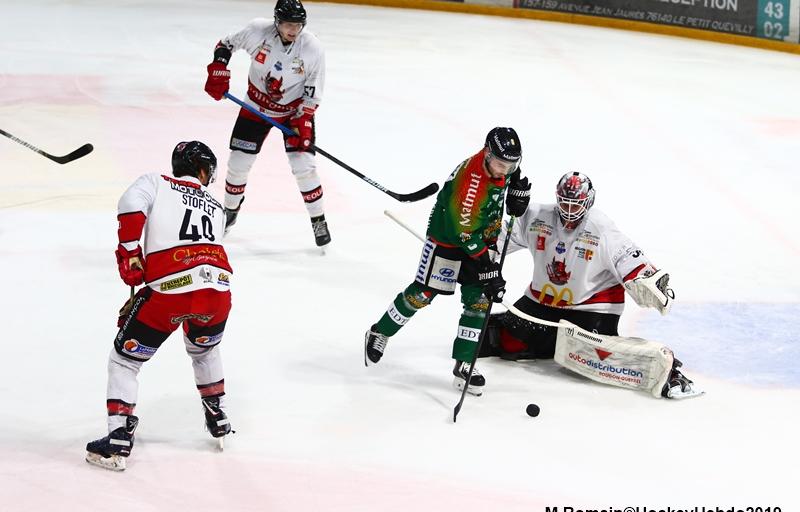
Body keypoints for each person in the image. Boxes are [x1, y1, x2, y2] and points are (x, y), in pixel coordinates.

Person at [481, 171, 701, 399]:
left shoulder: (601, 228)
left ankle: (668, 372)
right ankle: (553, 339)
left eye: (575, 205)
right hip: (542, 302)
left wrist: (648, 282)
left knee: (588, 357)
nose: (569, 210)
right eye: (564, 203)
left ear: (589, 201)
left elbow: (627, 258)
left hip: (591, 308)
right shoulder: (537, 217)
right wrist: (480, 259)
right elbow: (496, 240)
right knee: (508, 342)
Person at [85, 141, 234, 471]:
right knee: (205, 351)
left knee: (124, 360)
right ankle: (218, 415)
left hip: (170, 292)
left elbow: (130, 204)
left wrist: (130, 253)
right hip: (218, 292)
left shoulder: (156, 182)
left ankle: (118, 436)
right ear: (203, 171)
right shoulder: (217, 206)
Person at [364, 128, 531, 396]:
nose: (505, 170)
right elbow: (462, 232)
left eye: (511, 165)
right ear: (487, 154)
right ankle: (379, 332)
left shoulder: (500, 165)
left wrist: (517, 196)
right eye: (501, 165)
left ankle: (464, 363)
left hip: (481, 239)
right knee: (422, 294)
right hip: (449, 241)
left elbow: (510, 176)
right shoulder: (470, 184)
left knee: (479, 301)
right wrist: (487, 267)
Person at [204, 0, 330, 246]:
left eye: (298, 25)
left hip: (293, 114)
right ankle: (230, 211)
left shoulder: (313, 48)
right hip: (255, 107)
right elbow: (226, 44)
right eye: (288, 24)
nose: (294, 30)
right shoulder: (257, 31)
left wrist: (304, 120)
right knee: (238, 164)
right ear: (277, 22)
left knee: (304, 167)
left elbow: (313, 93)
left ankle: (318, 219)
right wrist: (218, 66)